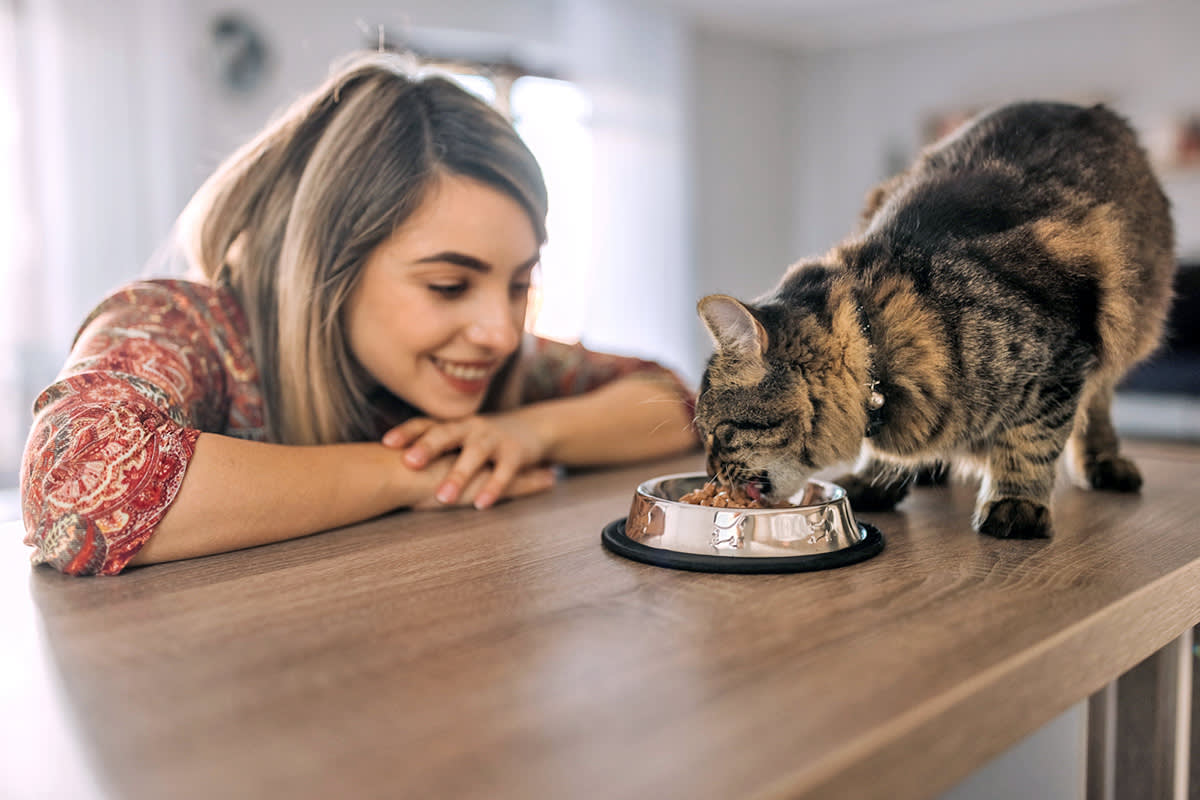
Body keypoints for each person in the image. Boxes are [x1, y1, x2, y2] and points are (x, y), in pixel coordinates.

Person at [19, 51, 699, 576]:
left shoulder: (501, 364)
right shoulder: (184, 326)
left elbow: (673, 403)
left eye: (520, 285)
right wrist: (411, 472)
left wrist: (529, 433)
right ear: (327, 270)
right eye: (448, 285)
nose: (499, 331)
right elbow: (76, 488)